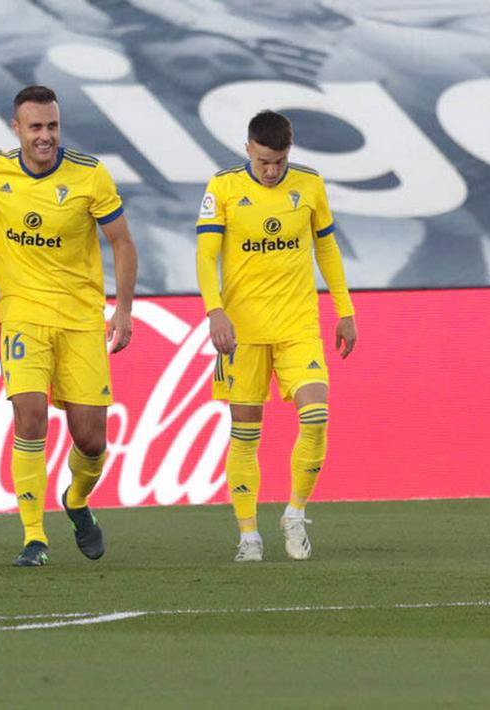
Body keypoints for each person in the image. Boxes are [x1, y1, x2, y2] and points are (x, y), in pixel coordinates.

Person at [0, 85, 137, 566]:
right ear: (15, 129)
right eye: (35, 127)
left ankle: (76, 500)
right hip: (22, 316)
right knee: (30, 418)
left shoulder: (89, 175)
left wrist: (123, 310)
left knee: (91, 440)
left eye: (52, 126)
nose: (45, 136)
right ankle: (34, 538)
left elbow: (121, 242)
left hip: (80, 319)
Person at [195, 110, 357, 562]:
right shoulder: (223, 187)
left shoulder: (309, 185)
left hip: (297, 325)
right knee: (245, 435)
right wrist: (215, 312)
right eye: (265, 161)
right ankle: (248, 533)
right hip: (242, 330)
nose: (272, 171)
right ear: (248, 149)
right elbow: (206, 257)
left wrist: (344, 309)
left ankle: (295, 513)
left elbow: (326, 245)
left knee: (317, 417)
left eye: (280, 161)